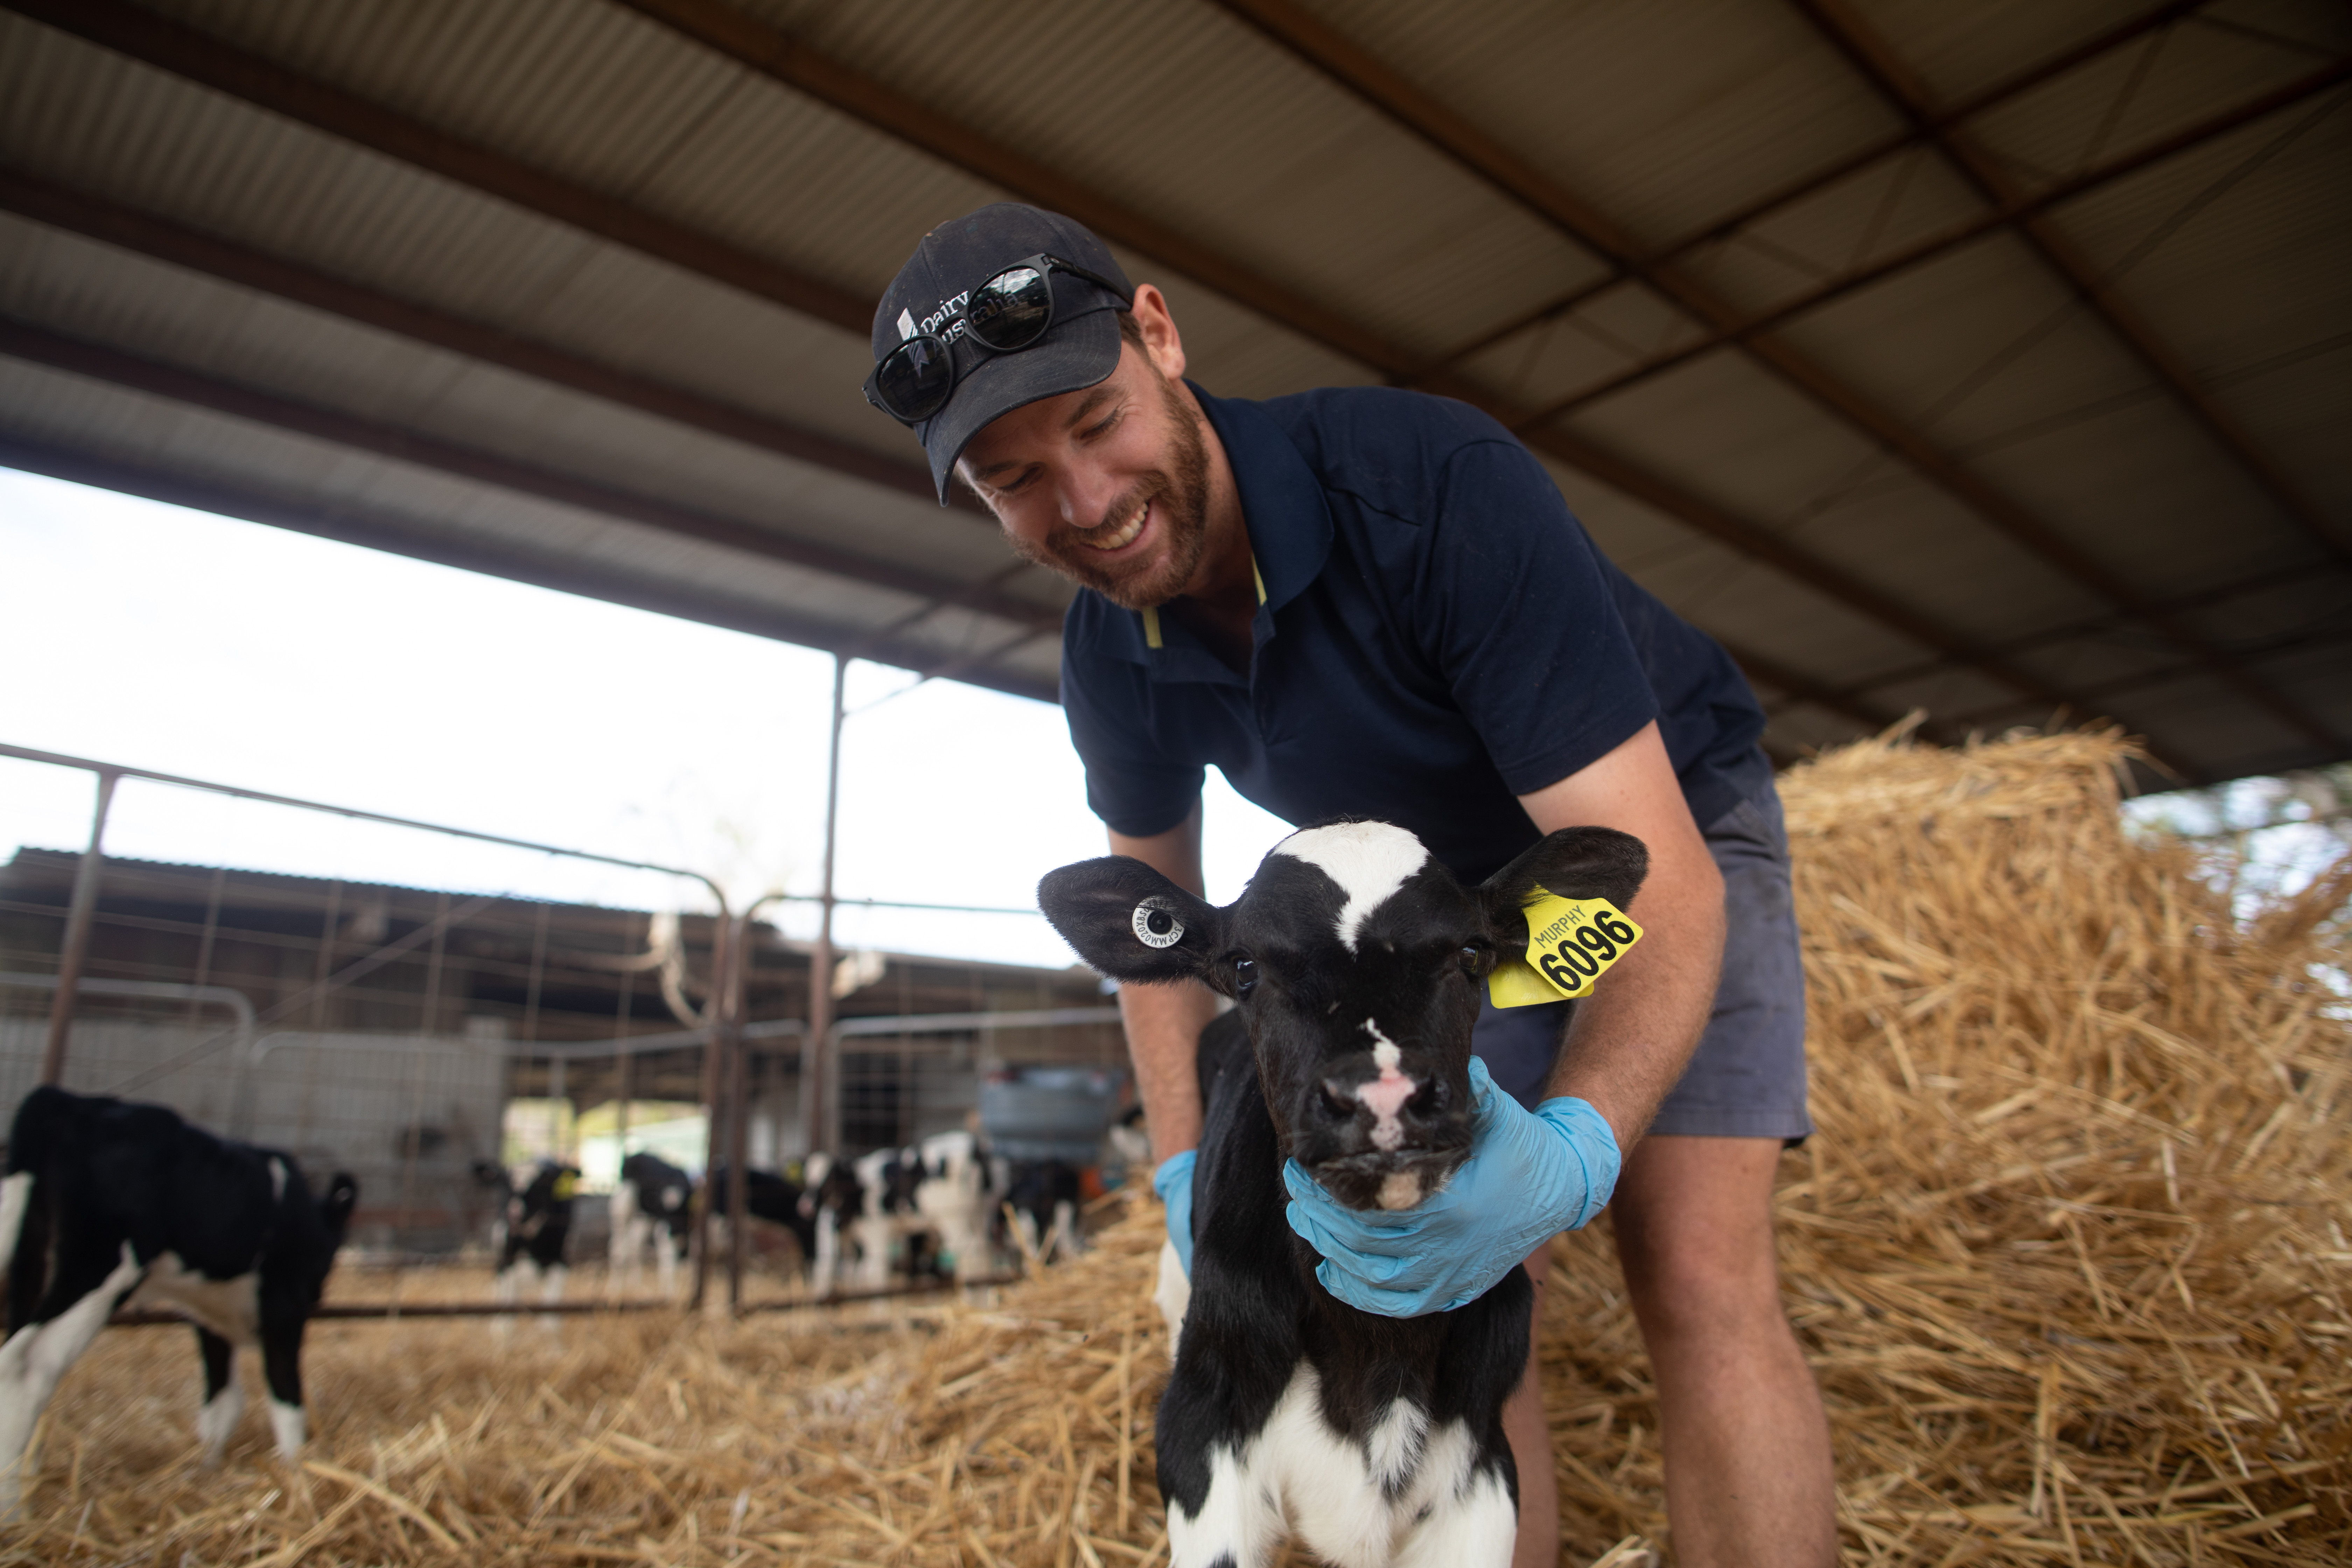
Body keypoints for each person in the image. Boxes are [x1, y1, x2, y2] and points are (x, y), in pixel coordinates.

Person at [862, 203, 1836, 1568]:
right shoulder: (1108, 654)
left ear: (1160, 333)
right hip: (1400, 929)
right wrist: (1192, 1174)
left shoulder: (1432, 486)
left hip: (1647, 834)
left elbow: (1656, 877)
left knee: (1695, 1270)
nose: (1083, 503)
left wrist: (1578, 1153)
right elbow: (1156, 933)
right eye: (1012, 480)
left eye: (1094, 423)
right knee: (1471, 1289)